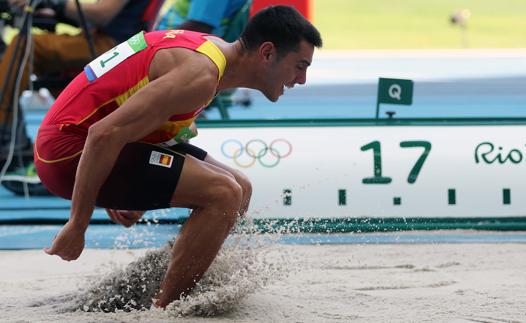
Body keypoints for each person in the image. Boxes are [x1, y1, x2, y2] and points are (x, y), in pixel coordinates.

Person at [36, 5, 322, 307]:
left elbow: (134, 117)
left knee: (241, 187)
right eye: (300, 66)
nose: (301, 79)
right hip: (64, 154)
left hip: (87, 141)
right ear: (267, 53)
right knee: (223, 194)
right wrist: (77, 224)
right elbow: (102, 135)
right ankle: (166, 310)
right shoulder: (199, 76)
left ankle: (171, 279)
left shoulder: (208, 52)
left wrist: (128, 186)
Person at [0, 0, 161, 178]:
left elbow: (101, 14)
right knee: (39, 55)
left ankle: (4, 126)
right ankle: (64, 137)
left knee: (24, 45)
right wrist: (54, 9)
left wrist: (52, 3)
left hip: (115, 45)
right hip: (113, 39)